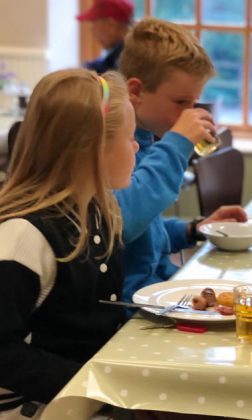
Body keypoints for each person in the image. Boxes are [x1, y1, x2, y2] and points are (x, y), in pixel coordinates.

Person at [0, 69, 137, 418]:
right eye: (130, 137)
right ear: (92, 150)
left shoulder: (96, 213)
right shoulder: (23, 238)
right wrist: (97, 383)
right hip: (38, 406)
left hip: (84, 393)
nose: (136, 147)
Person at [116, 18, 247, 304]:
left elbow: (147, 234)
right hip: (129, 312)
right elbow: (122, 222)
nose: (189, 113)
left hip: (159, 289)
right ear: (135, 91)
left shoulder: (146, 137)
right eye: (180, 102)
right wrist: (177, 144)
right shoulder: (109, 146)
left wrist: (193, 229)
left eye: (193, 103)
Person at [77, 0, 134, 74]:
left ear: (111, 25)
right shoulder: (120, 51)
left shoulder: (129, 58)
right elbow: (105, 64)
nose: (92, 31)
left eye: (94, 25)